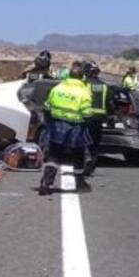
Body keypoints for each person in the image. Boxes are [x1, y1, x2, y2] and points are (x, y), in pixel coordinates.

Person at [39, 61, 99, 193]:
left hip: (57, 126)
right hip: (76, 128)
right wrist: (92, 118)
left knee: (54, 155)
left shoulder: (58, 88)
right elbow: (86, 112)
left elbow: (47, 106)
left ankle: (46, 183)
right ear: (82, 77)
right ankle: (80, 184)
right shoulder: (84, 91)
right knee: (78, 156)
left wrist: (50, 122)